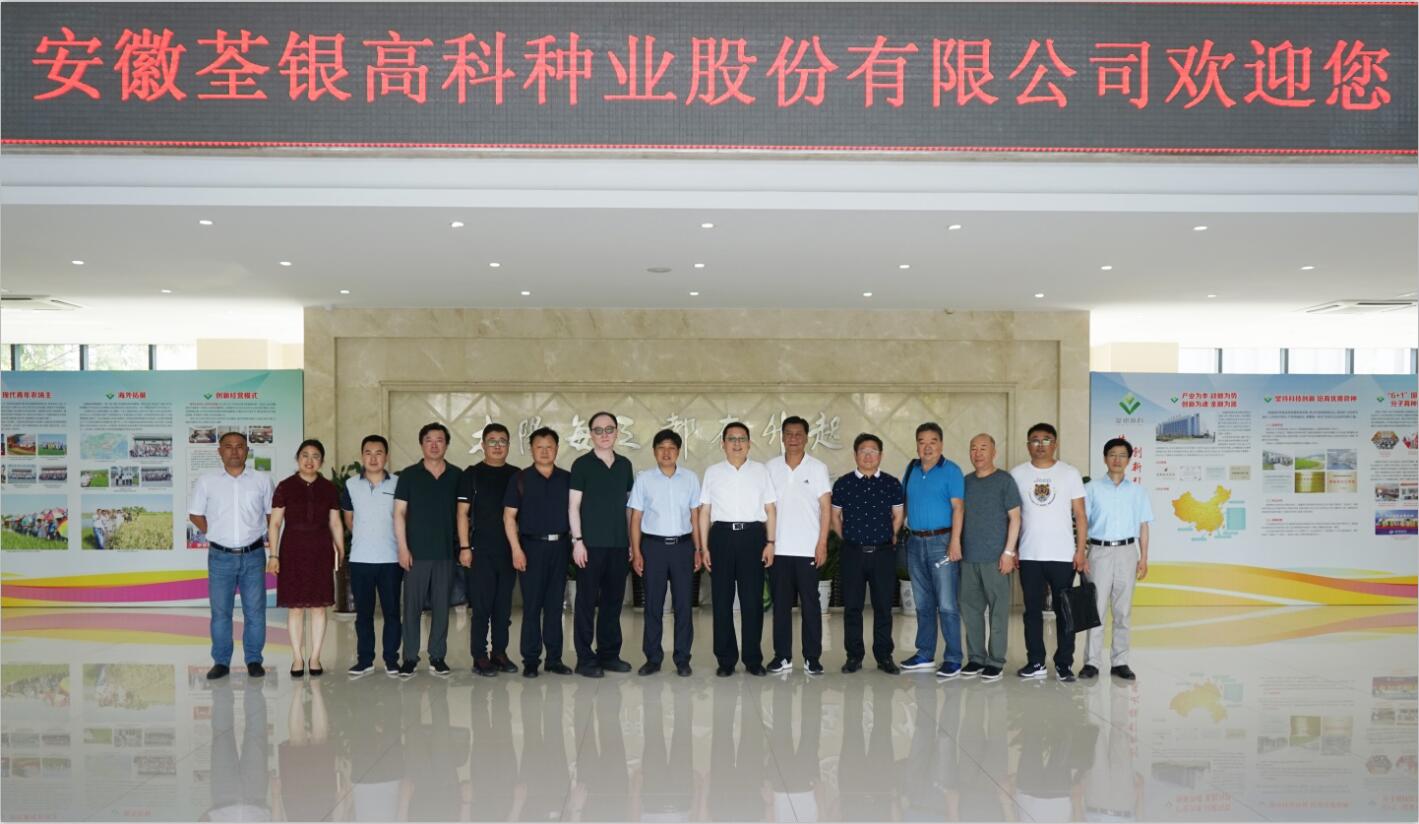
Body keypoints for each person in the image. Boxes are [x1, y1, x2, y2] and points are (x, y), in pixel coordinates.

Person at [190, 430, 274, 680]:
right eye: (228, 446)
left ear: (247, 450)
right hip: (220, 557)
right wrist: (213, 532)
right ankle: (221, 662)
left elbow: (271, 515)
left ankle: (254, 660)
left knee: (255, 612)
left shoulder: (262, 480)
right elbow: (195, 514)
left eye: (240, 446)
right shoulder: (207, 481)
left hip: (253, 555)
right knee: (221, 613)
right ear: (220, 451)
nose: (234, 451)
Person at [1010, 422, 1088, 682]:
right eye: (1035, 440)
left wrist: (1080, 551)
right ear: (1028, 445)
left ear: (1055, 444)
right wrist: (1013, 549)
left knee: (1065, 612)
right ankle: (1036, 662)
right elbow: (1012, 516)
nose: (1040, 445)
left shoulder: (1069, 473)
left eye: (1046, 440)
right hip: (1029, 554)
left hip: (1063, 555)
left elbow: (1080, 515)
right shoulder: (1017, 474)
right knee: (1031, 612)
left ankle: (1064, 664)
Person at [698, 422, 777, 677]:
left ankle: (753, 659)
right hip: (721, 537)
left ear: (749, 443)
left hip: (753, 537)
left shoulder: (760, 471)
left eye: (742, 438)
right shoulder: (713, 472)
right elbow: (705, 511)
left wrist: (771, 543)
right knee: (721, 601)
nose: (737, 443)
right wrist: (704, 547)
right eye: (731, 439)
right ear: (723, 444)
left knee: (752, 601)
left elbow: (770, 509)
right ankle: (726, 660)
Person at [628, 428, 702, 677]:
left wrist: (698, 549)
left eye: (671, 448)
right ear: (654, 452)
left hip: (683, 547)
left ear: (678, 451)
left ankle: (682, 659)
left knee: (683, 606)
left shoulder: (690, 478)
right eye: (661, 448)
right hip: (653, 548)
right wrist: (636, 552)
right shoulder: (644, 479)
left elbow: (695, 516)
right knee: (653, 605)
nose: (666, 453)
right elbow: (636, 518)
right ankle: (653, 658)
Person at [568, 411, 636, 678]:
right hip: (590, 546)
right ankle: (585, 658)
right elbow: (573, 507)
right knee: (586, 603)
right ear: (591, 434)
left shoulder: (624, 465)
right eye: (598, 430)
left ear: (617, 432)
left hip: (618, 545)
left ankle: (609, 655)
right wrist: (578, 541)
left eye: (609, 429)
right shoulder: (581, 465)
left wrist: (631, 542)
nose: (604, 434)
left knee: (613, 602)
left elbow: (629, 508)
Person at [831, 433, 905, 674]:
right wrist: (847, 539)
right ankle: (854, 656)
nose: (868, 455)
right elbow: (835, 517)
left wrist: (889, 536)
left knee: (883, 606)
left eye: (873, 451)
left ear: (880, 455)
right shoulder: (843, 484)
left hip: (883, 553)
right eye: (863, 451)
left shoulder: (892, 483)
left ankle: (884, 656)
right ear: (855, 455)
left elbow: (898, 516)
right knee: (852, 607)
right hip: (852, 552)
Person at [504, 427, 574, 678]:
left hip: (560, 547)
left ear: (557, 449)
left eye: (549, 447)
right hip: (530, 548)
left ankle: (554, 659)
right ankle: (531, 660)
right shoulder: (520, 479)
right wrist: (516, 550)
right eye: (539, 447)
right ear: (531, 449)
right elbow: (509, 517)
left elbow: (576, 513)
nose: (544, 452)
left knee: (555, 605)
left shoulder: (567, 479)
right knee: (532, 606)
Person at [269, 439, 343, 678]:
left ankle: (315, 657)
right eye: (305, 455)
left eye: (315, 456)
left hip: (321, 549)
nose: (310, 460)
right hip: (292, 549)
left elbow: (335, 522)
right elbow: (275, 523)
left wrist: (340, 550)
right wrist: (273, 555)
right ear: (297, 458)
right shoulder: (285, 486)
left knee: (319, 607)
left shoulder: (329, 488)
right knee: (296, 608)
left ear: (322, 461)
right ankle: (297, 658)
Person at [394, 422, 463, 678]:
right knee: (411, 609)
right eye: (429, 440)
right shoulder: (409, 475)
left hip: (445, 552)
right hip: (416, 553)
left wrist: (463, 547)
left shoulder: (457, 475)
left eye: (439, 440)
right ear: (421, 444)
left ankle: (437, 656)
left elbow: (462, 515)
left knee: (442, 608)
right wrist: (403, 548)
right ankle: (410, 658)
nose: (434, 445)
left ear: (446, 444)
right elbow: (399, 513)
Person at [1082, 437, 1153, 681]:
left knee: (1123, 610)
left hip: (1127, 552)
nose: (1117, 459)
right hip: (1099, 552)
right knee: (1096, 609)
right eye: (1112, 454)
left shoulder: (1138, 492)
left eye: (1122, 455)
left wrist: (1144, 558)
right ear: (1105, 458)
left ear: (1129, 460)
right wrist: (1082, 554)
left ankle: (1120, 662)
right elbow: (1082, 523)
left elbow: (1143, 525)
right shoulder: (1091, 489)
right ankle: (1091, 662)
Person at [765, 415, 831, 675]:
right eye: (789, 434)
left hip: (808, 549)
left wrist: (822, 543)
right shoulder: (770, 468)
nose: (793, 439)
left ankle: (812, 658)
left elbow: (826, 508)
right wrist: (768, 543)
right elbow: (765, 508)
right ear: (782, 437)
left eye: (798, 434)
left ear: (806, 438)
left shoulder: (817, 468)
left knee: (811, 605)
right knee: (781, 606)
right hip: (779, 549)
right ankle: (782, 656)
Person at [900, 422, 967, 677]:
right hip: (915, 542)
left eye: (932, 441)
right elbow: (904, 505)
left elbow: (958, 508)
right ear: (917, 445)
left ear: (941, 444)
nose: (927, 447)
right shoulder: (911, 470)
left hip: (942, 542)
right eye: (922, 442)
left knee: (947, 604)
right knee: (923, 603)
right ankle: (925, 654)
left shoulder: (952, 471)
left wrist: (955, 541)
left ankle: (953, 658)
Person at [456, 423, 521, 676]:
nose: (497, 446)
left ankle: (500, 653)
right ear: (483, 445)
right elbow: (462, 514)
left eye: (502, 441)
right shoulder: (472, 474)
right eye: (492, 441)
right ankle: (480, 656)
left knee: (503, 606)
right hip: (480, 550)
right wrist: (464, 547)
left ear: (508, 445)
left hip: (508, 550)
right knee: (482, 607)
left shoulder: (516, 475)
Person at [959, 433, 1022, 683]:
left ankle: (996, 661)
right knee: (971, 611)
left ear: (994, 452)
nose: (978, 453)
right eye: (973, 448)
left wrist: (1008, 552)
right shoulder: (965, 482)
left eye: (983, 448)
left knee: (998, 612)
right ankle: (976, 658)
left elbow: (1015, 518)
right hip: (968, 558)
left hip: (996, 559)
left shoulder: (1004, 481)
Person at [341, 434, 402, 677]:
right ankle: (365, 660)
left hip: (391, 559)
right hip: (361, 559)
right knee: (363, 614)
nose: (373, 458)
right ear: (362, 456)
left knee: (392, 613)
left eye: (379, 453)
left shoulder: (398, 483)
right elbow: (349, 520)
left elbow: (404, 517)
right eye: (368, 453)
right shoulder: (350, 485)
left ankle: (391, 660)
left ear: (386, 456)